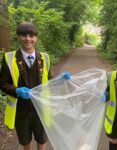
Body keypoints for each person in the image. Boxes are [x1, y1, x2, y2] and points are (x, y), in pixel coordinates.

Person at [0, 22, 70, 150]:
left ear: (36, 38)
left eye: (31, 35)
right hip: (20, 110)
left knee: (41, 139)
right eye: (24, 35)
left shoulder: (45, 58)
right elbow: (2, 83)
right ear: (18, 37)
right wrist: (16, 90)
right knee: (25, 140)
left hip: (42, 109)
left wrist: (59, 80)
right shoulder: (8, 58)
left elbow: (49, 81)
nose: (28, 39)